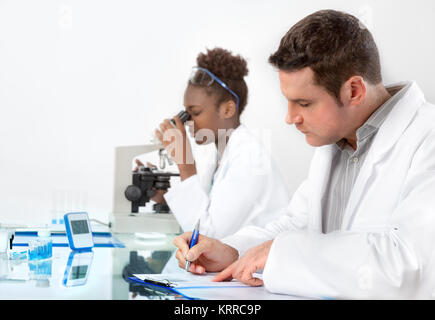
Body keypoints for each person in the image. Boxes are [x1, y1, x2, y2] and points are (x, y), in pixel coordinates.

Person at [172, 10, 435, 299]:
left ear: (354, 90)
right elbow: (296, 225)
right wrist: (233, 251)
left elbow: (409, 266)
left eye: (304, 103)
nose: (290, 117)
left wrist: (280, 255)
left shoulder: (426, 137)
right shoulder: (335, 143)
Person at [149, 47, 290, 239]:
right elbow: (204, 216)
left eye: (196, 112)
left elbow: (208, 236)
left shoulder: (249, 158)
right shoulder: (221, 155)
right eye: (186, 113)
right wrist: (164, 200)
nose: (187, 121)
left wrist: (186, 164)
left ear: (228, 109)